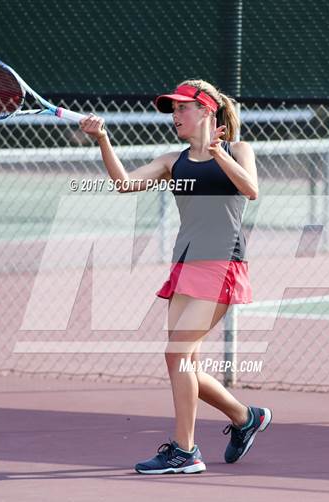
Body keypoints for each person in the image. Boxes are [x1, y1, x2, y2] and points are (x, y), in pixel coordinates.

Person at [80, 80, 272, 474]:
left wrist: (219, 153)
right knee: (184, 364)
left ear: (206, 111)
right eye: (172, 109)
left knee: (175, 356)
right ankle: (245, 417)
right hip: (184, 267)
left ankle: (185, 452)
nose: (175, 116)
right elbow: (123, 184)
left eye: (182, 108)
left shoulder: (238, 150)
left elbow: (250, 189)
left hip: (222, 265)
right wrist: (102, 139)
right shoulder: (173, 161)